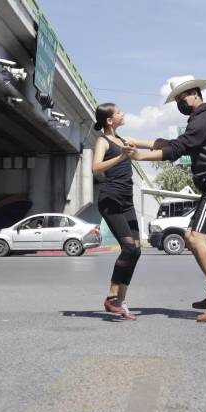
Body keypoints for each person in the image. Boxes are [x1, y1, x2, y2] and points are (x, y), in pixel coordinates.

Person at [129, 76, 206, 322]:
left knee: (194, 237)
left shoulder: (201, 118)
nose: (180, 103)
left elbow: (175, 150)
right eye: (177, 100)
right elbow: (176, 143)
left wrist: (139, 156)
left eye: (183, 97)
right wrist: (137, 142)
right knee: (196, 239)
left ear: (196, 93)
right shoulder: (201, 119)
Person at [92, 103, 142, 321]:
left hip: (127, 201)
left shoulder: (123, 141)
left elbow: (149, 145)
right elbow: (96, 168)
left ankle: (120, 303)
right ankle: (112, 297)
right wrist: (121, 157)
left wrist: (177, 145)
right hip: (110, 199)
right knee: (129, 248)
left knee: (137, 251)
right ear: (109, 120)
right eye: (119, 112)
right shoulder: (102, 141)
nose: (123, 114)